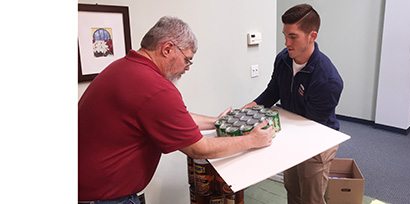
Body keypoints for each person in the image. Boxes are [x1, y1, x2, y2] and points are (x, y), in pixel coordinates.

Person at [78, 16, 275, 203]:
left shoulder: (125, 67)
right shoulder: (155, 88)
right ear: (167, 49)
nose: (188, 67)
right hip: (106, 197)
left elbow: (174, 117)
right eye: (187, 59)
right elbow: (198, 149)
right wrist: (252, 140)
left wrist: (216, 121)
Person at [243, 4, 343, 204]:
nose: (286, 42)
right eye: (284, 35)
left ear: (312, 35)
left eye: (293, 36)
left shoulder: (328, 79)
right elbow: (273, 91)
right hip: (291, 131)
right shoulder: (283, 59)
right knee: (292, 189)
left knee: (311, 198)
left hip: (317, 140)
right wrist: (248, 108)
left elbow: (311, 124)